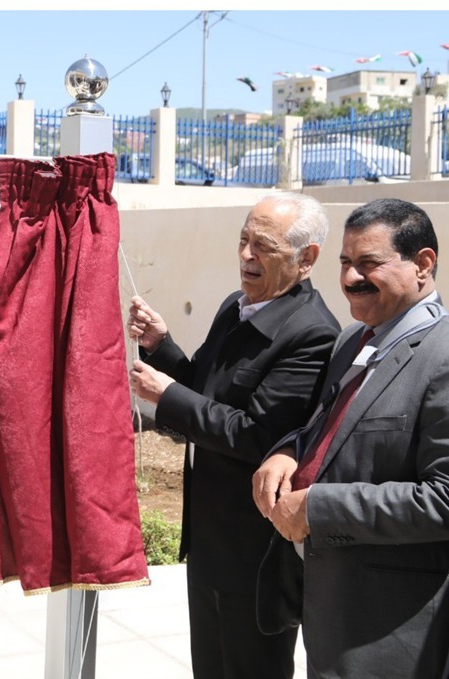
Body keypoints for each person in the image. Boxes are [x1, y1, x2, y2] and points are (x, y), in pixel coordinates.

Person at [128, 192, 340, 679]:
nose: (247, 255)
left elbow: (258, 436)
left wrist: (167, 396)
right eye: (244, 240)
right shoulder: (236, 307)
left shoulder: (312, 334)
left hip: (254, 552)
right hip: (210, 537)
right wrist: (161, 345)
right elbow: (203, 387)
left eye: (264, 245)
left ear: (306, 258)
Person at [253, 198, 449, 678]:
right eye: (344, 262)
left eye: (368, 263)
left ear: (423, 264)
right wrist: (288, 452)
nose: (350, 278)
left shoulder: (442, 357)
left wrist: (318, 509)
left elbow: (443, 499)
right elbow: (329, 430)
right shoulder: (353, 340)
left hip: (390, 631)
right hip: (328, 609)